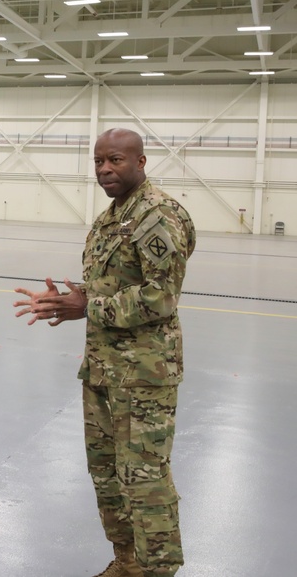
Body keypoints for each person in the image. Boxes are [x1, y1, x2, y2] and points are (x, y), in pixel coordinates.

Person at [13, 128, 195, 577]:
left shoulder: (156, 215)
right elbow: (115, 283)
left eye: (114, 160)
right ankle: (128, 563)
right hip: (103, 369)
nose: (104, 170)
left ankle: (156, 572)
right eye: (98, 162)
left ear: (140, 161)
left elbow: (161, 297)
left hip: (143, 377)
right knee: (109, 477)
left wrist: (88, 305)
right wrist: (71, 300)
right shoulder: (115, 216)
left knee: (145, 480)